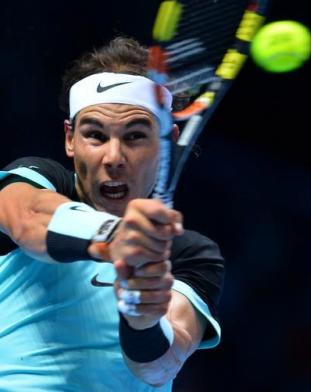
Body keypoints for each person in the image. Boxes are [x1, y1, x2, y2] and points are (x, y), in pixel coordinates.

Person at [0, 36, 224, 391]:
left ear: (167, 142)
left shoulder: (190, 253)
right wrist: (116, 237)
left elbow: (160, 369)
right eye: (95, 135)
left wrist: (143, 320)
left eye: (135, 136)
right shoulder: (39, 180)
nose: (114, 157)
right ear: (70, 139)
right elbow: (28, 219)